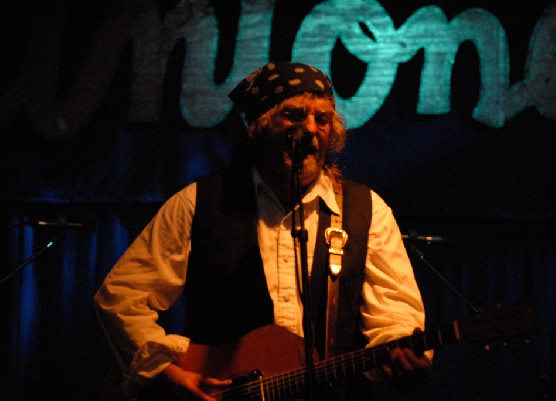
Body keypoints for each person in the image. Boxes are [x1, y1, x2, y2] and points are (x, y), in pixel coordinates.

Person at [94, 61, 432, 401]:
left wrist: (402, 348)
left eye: (323, 119)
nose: (311, 129)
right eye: (295, 115)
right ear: (260, 125)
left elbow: (395, 312)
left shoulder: (366, 211)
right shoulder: (202, 202)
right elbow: (121, 297)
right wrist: (168, 373)